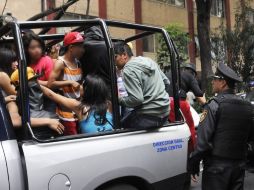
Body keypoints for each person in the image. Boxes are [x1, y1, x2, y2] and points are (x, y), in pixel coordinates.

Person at [188, 63, 254, 190]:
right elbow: (250, 136)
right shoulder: (248, 107)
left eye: (215, 79)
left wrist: (193, 164)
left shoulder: (214, 105)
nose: (212, 82)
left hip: (216, 170)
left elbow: (203, 143)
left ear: (223, 83)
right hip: (238, 168)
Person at [114, 41, 170, 129]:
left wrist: (118, 100)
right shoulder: (148, 60)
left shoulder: (128, 69)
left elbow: (137, 99)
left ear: (124, 55)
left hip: (148, 117)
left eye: (115, 57)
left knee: (119, 127)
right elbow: (166, 82)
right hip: (165, 113)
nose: (113, 61)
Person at [42, 74, 113, 134]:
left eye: (82, 85)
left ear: (88, 90)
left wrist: (34, 82)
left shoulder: (80, 107)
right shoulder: (108, 104)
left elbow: (51, 95)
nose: (80, 87)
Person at [47, 32, 85, 135]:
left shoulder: (78, 62)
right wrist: (69, 82)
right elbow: (50, 84)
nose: (83, 50)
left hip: (78, 110)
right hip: (66, 112)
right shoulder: (60, 63)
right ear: (71, 48)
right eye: (80, 47)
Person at [167, 63, 206, 152]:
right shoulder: (190, 76)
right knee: (190, 127)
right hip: (178, 102)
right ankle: (192, 150)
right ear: (193, 73)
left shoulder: (170, 73)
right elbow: (198, 93)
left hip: (164, 102)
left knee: (173, 127)